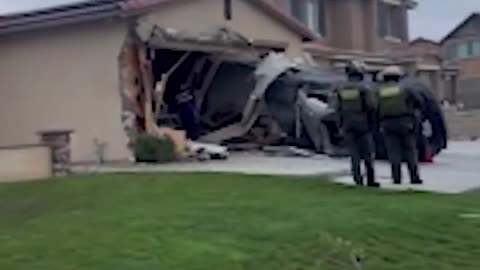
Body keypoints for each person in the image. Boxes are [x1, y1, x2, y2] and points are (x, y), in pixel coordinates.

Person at [335, 61, 380, 187]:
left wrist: (341, 126)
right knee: (368, 154)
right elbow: (372, 107)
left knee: (354, 155)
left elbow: (338, 110)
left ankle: (357, 179)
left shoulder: (341, 89)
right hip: (363, 125)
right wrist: (373, 124)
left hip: (348, 125)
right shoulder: (363, 88)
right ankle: (370, 180)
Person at [377, 66, 424, 185]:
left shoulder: (379, 91)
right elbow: (419, 101)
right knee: (410, 151)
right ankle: (414, 177)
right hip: (405, 123)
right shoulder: (405, 89)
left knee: (393, 152)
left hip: (387, 124)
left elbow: (374, 108)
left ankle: (396, 178)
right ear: (398, 77)